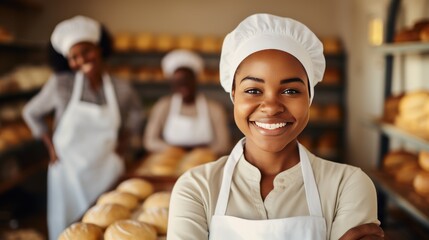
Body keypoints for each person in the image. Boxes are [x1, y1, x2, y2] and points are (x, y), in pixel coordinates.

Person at [167, 14, 383, 240]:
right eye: (253, 90)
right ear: (233, 95)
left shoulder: (347, 186)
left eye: (290, 91)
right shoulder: (197, 189)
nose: (271, 107)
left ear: (309, 97)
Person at [22, 15, 143, 239]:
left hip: (105, 168)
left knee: (112, 227)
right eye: (73, 57)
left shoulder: (120, 87)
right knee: (69, 229)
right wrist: (50, 146)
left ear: (99, 48)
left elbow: (137, 113)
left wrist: (124, 143)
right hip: (68, 171)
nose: (81, 60)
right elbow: (31, 112)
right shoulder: (61, 85)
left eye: (86, 52)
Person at [143, 49, 231, 156]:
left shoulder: (214, 108)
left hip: (203, 163)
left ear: (195, 80)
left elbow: (223, 145)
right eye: (178, 82)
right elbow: (150, 141)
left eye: (187, 80)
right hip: (170, 160)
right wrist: (176, 151)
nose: (183, 86)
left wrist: (200, 153)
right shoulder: (163, 106)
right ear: (172, 83)